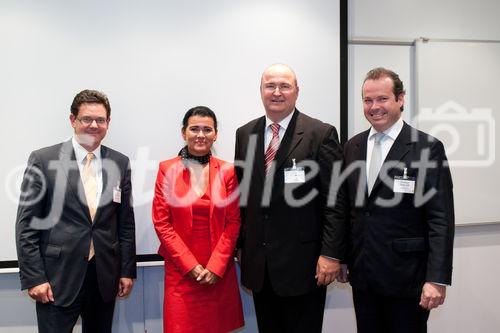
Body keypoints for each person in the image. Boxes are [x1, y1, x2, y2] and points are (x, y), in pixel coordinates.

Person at [334, 67, 455, 333]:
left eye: (382, 99)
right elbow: (348, 209)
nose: (374, 107)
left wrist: (437, 278)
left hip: (407, 278)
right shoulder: (352, 147)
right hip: (364, 276)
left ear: (400, 99)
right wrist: (342, 256)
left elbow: (440, 217)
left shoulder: (426, 147)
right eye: (368, 100)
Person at [234, 64, 345, 333]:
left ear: (297, 91)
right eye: (270, 86)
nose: (277, 92)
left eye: (284, 86)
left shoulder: (320, 133)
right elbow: (244, 196)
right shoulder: (245, 134)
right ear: (261, 91)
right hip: (260, 265)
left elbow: (336, 199)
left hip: (305, 265)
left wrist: (331, 253)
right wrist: (242, 248)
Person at [15, 89, 136, 333]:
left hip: (103, 278)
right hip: (56, 279)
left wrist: (126, 271)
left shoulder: (120, 162)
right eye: (86, 119)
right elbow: (27, 225)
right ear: (73, 120)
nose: (94, 125)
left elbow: (125, 223)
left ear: (108, 123)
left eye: (100, 120)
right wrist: (34, 277)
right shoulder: (43, 159)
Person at [152, 106, 244, 333]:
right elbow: (162, 223)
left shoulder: (228, 171)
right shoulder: (167, 169)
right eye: (194, 129)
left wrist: (216, 267)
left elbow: (233, 222)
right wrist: (190, 266)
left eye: (207, 129)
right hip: (181, 271)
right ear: (184, 132)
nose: (201, 135)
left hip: (218, 271)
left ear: (216, 135)